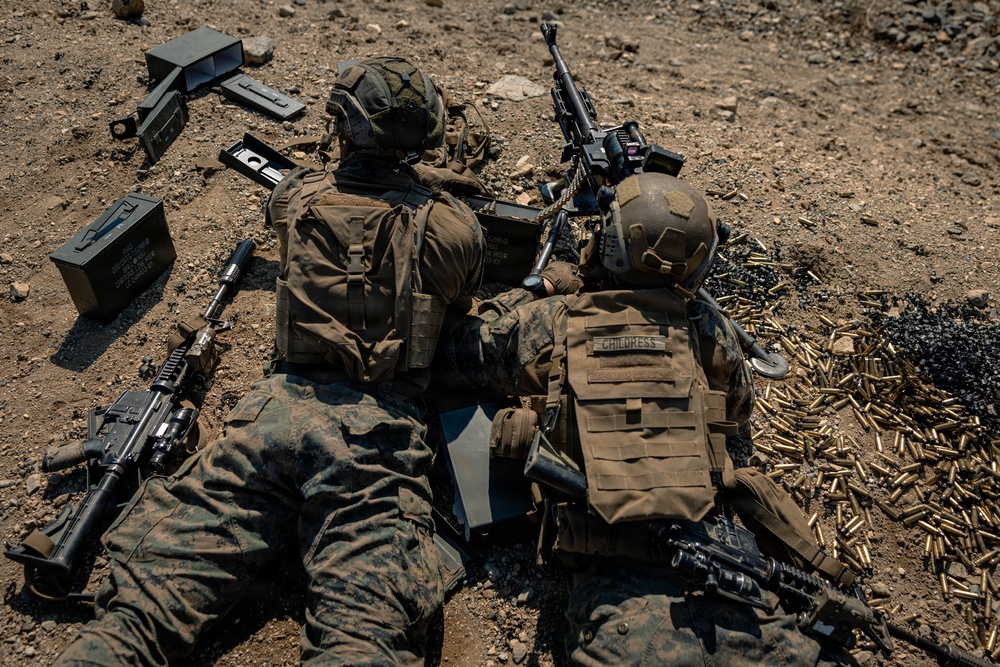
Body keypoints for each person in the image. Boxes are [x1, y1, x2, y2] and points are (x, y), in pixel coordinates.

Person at [55, 56, 485, 666]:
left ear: (342, 125)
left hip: (268, 420)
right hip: (374, 440)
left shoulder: (298, 197)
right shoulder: (453, 226)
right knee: (361, 637)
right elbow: (459, 303)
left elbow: (286, 205)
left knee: (141, 613)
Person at [436, 171, 857, 666]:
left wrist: (542, 289)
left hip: (618, 601)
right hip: (729, 577)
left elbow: (458, 355)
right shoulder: (710, 330)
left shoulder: (557, 323)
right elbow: (738, 412)